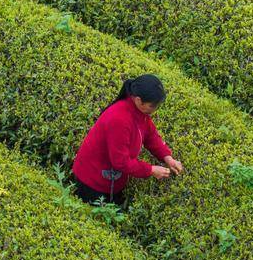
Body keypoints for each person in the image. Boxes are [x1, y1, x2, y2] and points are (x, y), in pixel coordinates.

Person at [71, 74, 185, 206]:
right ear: (138, 100)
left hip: (112, 179)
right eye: (153, 106)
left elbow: (151, 136)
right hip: (93, 181)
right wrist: (151, 170)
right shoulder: (119, 119)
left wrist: (167, 158)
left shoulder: (139, 112)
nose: (155, 109)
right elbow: (120, 161)